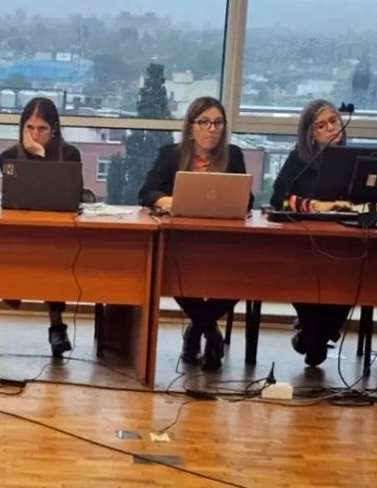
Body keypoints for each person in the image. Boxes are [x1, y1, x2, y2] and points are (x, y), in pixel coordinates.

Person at [139, 96, 250, 368]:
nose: (212, 129)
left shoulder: (233, 155)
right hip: (182, 240)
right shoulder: (171, 155)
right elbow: (147, 192)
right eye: (204, 122)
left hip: (224, 241)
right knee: (171, 269)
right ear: (191, 126)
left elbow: (247, 200)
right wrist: (169, 201)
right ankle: (210, 331)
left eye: (218, 123)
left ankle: (197, 328)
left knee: (244, 273)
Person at [270, 99, 352, 366]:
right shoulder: (299, 160)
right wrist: (316, 206)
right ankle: (314, 334)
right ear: (311, 134)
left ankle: (314, 336)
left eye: (334, 121)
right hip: (305, 245)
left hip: (346, 244)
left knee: (352, 276)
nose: (331, 128)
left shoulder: (354, 158)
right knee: (300, 271)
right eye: (321, 125)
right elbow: (278, 198)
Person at [0, 97, 81, 357]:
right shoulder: (8, 157)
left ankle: (56, 326)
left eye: (42, 128)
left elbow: (73, 194)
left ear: (53, 129)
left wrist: (40, 157)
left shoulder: (70, 155)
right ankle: (54, 325)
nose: (35, 135)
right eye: (30, 128)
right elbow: (17, 195)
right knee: (34, 250)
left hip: (58, 233)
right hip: (19, 232)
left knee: (52, 254)